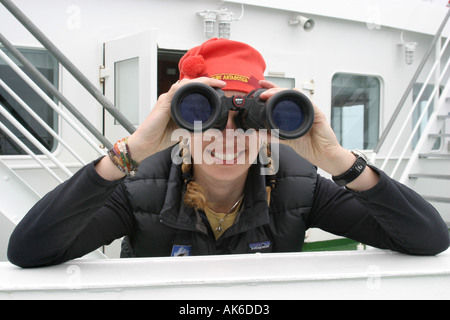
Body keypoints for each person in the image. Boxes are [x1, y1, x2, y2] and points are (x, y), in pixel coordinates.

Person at [8, 38, 449, 268]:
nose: (229, 134)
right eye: (208, 118)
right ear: (180, 128)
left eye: (249, 120)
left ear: (267, 132)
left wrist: (339, 161)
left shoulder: (298, 186)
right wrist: (129, 154)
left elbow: (429, 239)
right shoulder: (140, 189)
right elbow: (30, 249)